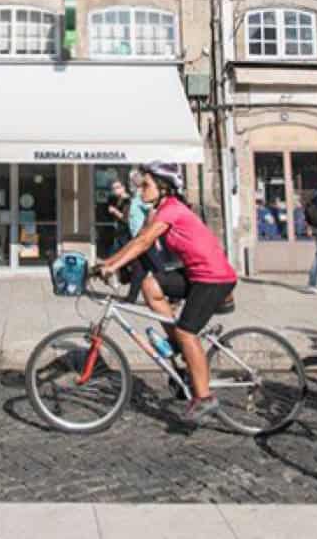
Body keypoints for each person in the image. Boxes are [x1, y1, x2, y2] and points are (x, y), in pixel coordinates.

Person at [95, 162, 238, 424]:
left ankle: (205, 397)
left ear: (163, 187)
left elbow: (144, 242)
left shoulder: (171, 210)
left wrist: (112, 266)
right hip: (196, 273)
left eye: (146, 185)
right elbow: (136, 241)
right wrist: (107, 263)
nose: (140, 191)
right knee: (151, 285)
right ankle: (178, 348)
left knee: (186, 331)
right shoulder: (157, 211)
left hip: (214, 277)